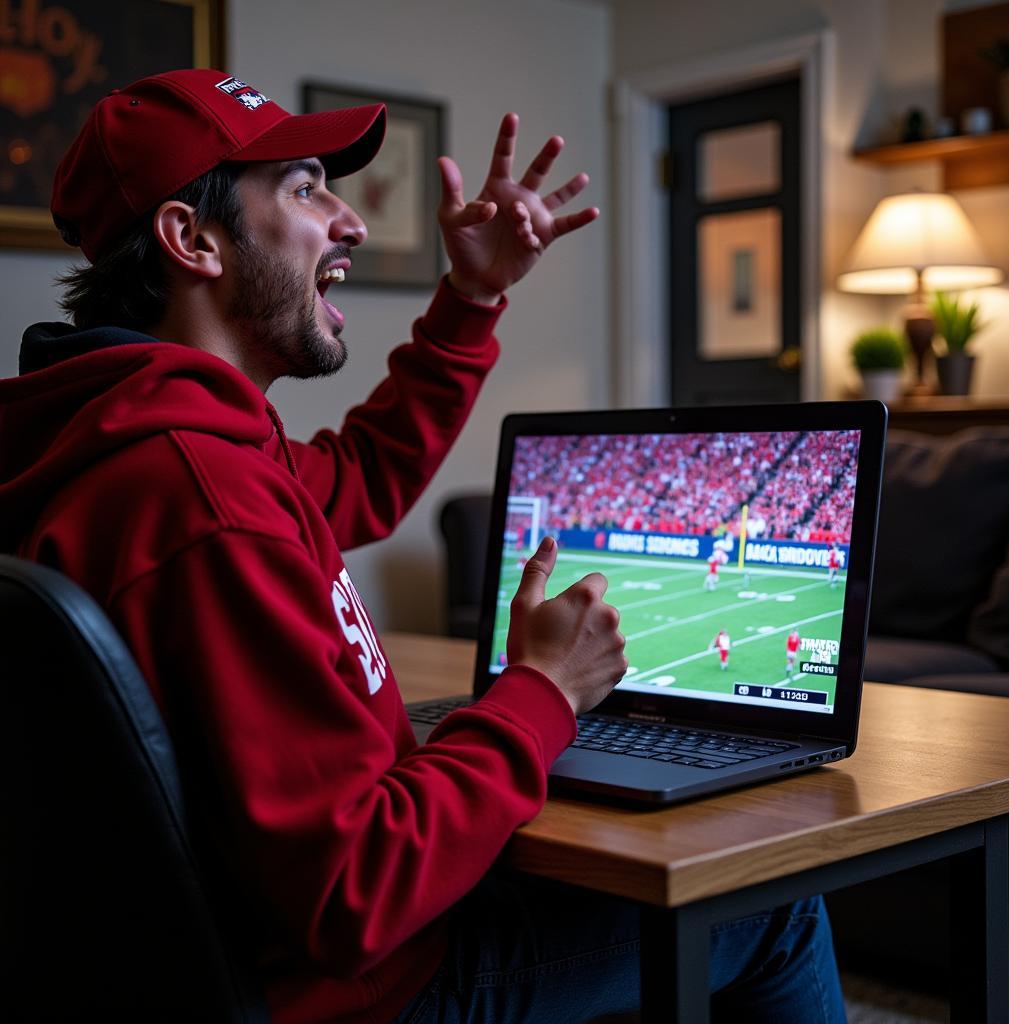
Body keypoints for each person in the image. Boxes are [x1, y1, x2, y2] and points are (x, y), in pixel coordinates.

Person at [0, 70, 847, 1023]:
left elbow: (359, 476)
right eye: (305, 187)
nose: (350, 222)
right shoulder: (202, 500)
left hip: (217, 961)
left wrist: (471, 296)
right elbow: (354, 895)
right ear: (191, 240)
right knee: (772, 905)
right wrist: (543, 695)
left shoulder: (131, 438)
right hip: (361, 992)